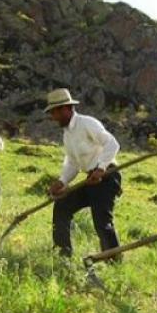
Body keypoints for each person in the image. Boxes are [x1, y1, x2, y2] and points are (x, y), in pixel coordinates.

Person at [45, 88, 121, 257]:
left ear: (65, 108)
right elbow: (73, 163)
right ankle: (63, 255)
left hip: (107, 176)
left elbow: (112, 144)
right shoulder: (67, 135)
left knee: (102, 222)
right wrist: (62, 181)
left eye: (54, 112)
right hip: (90, 179)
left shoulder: (87, 123)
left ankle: (114, 260)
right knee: (62, 206)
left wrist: (101, 168)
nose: (53, 117)